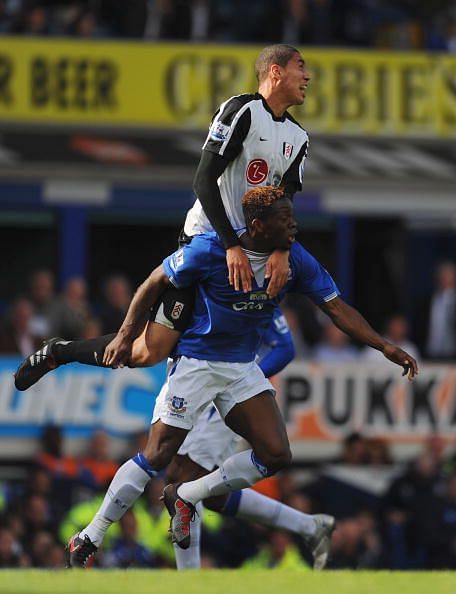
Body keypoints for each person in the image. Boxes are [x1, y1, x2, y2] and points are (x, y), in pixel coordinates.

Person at [52, 187, 417, 569]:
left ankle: (188, 496)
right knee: (158, 456)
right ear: (257, 225)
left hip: (240, 367)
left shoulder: (294, 261)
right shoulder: (210, 251)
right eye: (283, 218)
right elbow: (152, 283)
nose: (293, 223)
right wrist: (127, 334)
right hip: (196, 363)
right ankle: (91, 535)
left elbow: (337, 309)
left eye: (292, 215)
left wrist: (384, 346)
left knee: (276, 454)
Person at [14, 43, 310, 388]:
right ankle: (59, 352)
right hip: (208, 241)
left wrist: (281, 250)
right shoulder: (242, 111)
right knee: (147, 353)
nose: (307, 76)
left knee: (260, 343)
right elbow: (203, 179)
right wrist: (230, 244)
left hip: (251, 256)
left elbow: (284, 204)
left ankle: (213, 407)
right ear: (275, 71)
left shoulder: (298, 137)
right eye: (300, 67)